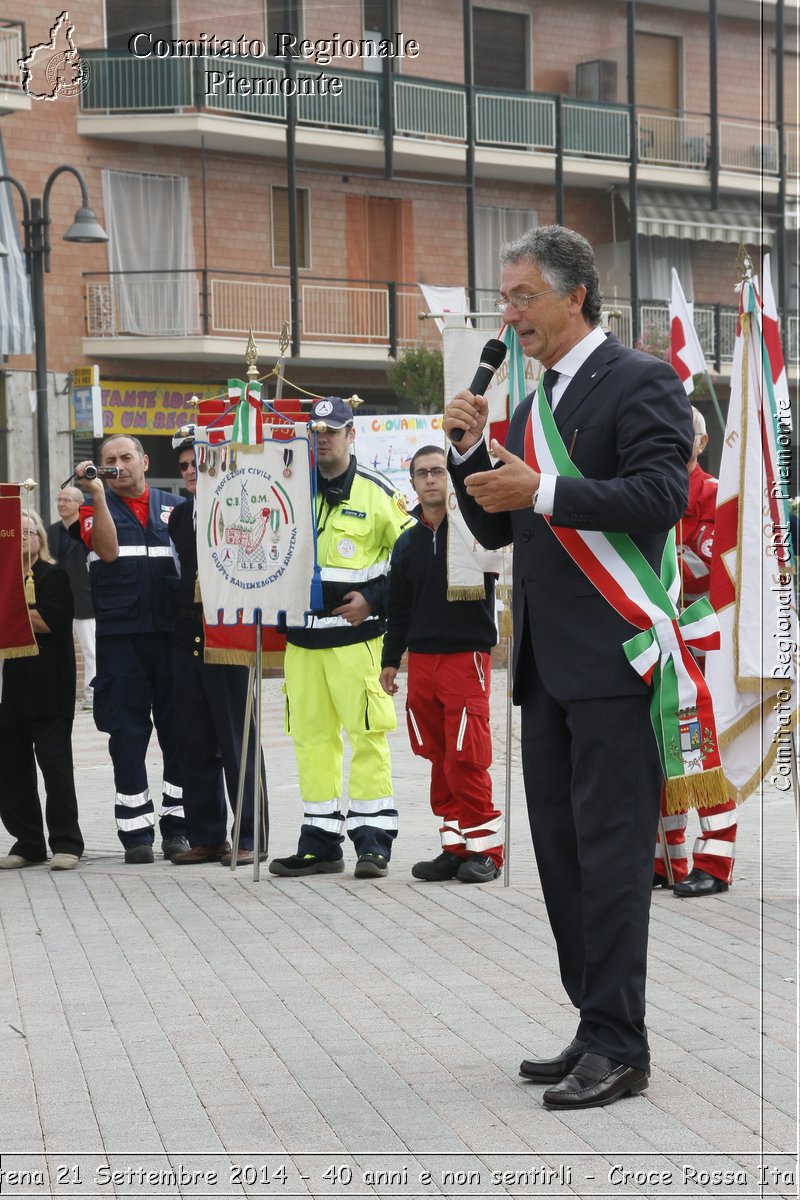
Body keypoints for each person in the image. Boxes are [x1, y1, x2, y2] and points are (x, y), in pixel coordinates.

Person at [444, 225, 693, 1109]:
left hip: (616, 664)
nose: (509, 318)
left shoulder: (642, 381)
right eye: (504, 301)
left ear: (574, 295)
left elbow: (666, 495)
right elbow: (498, 532)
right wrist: (469, 455)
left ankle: (623, 1045)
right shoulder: (523, 406)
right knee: (560, 855)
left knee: (613, 854)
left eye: (522, 299)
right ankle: (594, 1022)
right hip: (546, 668)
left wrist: (542, 488)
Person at [268, 396, 414, 880]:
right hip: (303, 643)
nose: (323, 437)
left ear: (352, 435)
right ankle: (319, 843)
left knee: (368, 738)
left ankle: (373, 845)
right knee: (311, 741)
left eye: (333, 430)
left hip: (357, 643)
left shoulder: (377, 493)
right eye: (316, 431)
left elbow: (413, 561)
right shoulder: (289, 489)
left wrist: (375, 598)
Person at [379, 445, 502, 883]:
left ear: (448, 480)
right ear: (411, 482)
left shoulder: (475, 531)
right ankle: (454, 846)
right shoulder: (407, 541)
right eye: (422, 473)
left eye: (437, 471)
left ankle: (486, 850)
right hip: (423, 662)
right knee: (437, 755)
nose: (431, 479)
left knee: (467, 754)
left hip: (466, 657)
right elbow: (399, 605)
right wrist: (391, 660)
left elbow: (504, 554)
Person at [75, 436, 189, 865]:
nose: (118, 465)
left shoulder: (174, 507)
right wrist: (98, 496)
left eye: (126, 458)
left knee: (178, 733)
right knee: (127, 735)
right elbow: (106, 550)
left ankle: (178, 828)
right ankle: (135, 830)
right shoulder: (92, 508)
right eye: (109, 460)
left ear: (144, 461)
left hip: (171, 634)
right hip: (121, 640)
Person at [167, 430, 268, 866]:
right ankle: (207, 835)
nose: (191, 472)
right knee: (192, 741)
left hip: (229, 632)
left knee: (237, 740)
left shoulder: (234, 505)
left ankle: (251, 836)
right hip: (189, 634)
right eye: (185, 466)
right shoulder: (178, 517)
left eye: (197, 464)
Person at [654, 406, 736, 897]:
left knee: (699, 755)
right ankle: (668, 859)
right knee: (661, 755)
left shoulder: (716, 498)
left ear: (701, 443)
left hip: (702, 652)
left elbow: (724, 582)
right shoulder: (651, 492)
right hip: (659, 648)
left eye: (682, 432)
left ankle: (715, 860)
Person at [0, 510, 84, 871]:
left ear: (40, 539)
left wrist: (10, 604)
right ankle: (28, 842)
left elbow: (50, 623)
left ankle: (66, 842)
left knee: (55, 768)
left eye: (29, 531)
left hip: (48, 690)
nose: (22, 537)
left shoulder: (53, 576)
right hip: (9, 691)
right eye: (14, 532)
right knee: (12, 771)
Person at [47, 485, 96, 710]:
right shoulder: (50, 532)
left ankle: (92, 694)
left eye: (66, 500)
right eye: (59, 500)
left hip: (85, 598)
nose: (60, 504)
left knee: (91, 649)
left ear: (79, 504)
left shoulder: (88, 529)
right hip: (57, 598)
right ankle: (56, 695)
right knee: (55, 650)